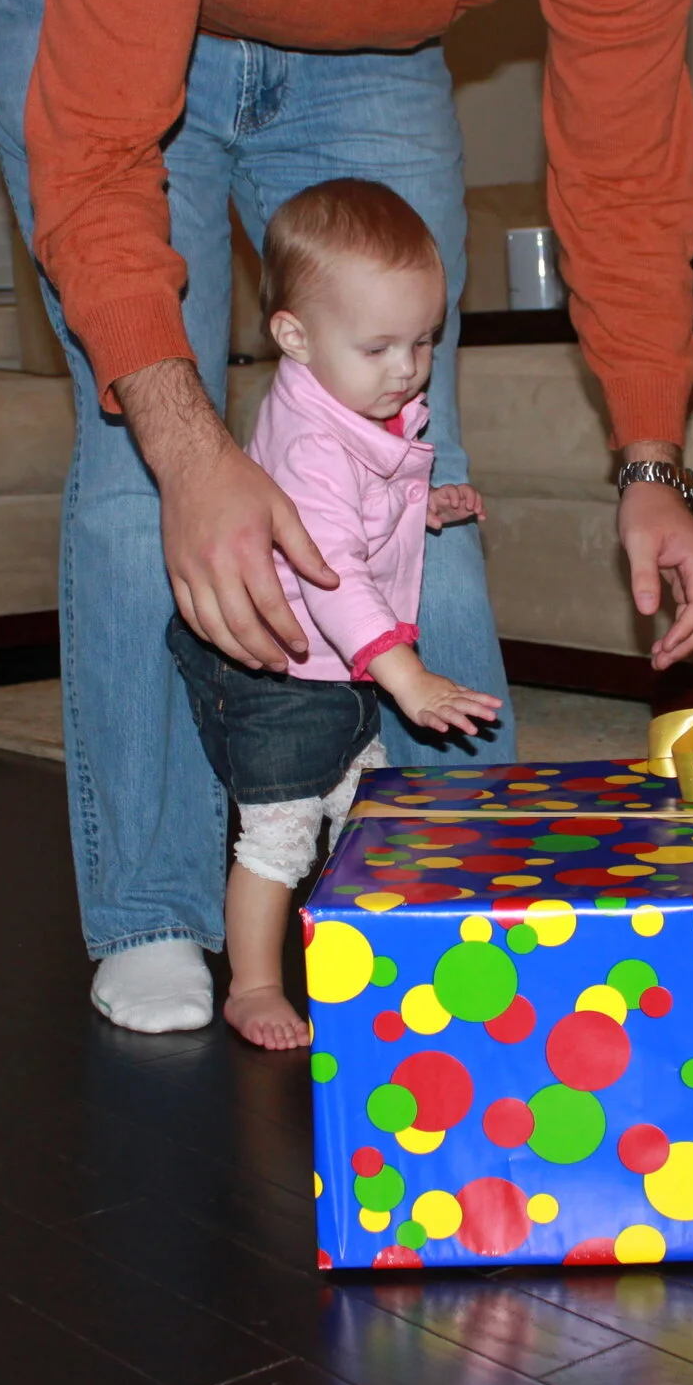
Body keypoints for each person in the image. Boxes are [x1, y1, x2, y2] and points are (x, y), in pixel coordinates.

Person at [0, 0, 693, 1035]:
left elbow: (627, 168)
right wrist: (188, 441)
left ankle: (462, 883)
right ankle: (159, 912)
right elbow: (98, 159)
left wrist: (652, 462)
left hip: (365, 49)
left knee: (409, 445)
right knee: (137, 466)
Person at [172, 180, 501, 1049]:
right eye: (382, 346)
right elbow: (332, 573)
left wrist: (420, 508)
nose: (409, 367)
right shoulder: (316, 440)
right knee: (279, 835)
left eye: (425, 340)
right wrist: (409, 677)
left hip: (338, 672)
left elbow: (364, 508)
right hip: (281, 670)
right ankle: (251, 982)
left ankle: (370, 957)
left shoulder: (353, 403)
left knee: (366, 816)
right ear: (294, 335)